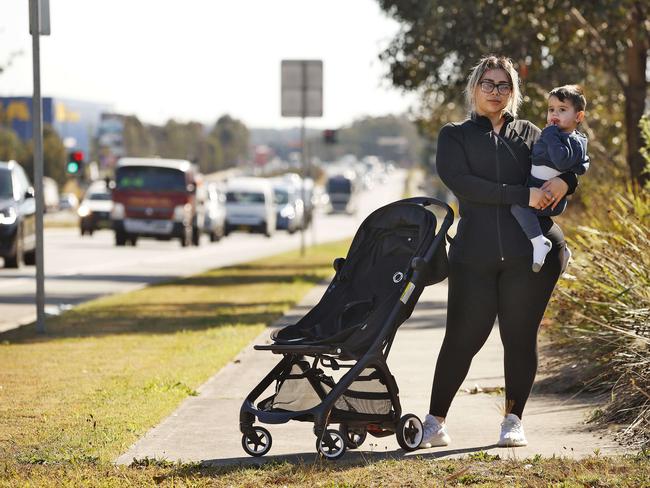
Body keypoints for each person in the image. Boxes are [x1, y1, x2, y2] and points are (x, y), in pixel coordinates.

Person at [420, 55, 578, 449]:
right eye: (488, 84)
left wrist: (569, 182)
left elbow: (565, 156)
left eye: (503, 85)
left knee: (519, 338)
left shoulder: (530, 133)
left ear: (513, 92)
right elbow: (465, 184)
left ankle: (513, 419)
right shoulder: (454, 135)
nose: (495, 92)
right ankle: (434, 421)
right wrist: (521, 193)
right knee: (462, 338)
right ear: (474, 87)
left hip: (530, 255)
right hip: (474, 254)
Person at [511, 85, 589, 272]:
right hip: (537, 186)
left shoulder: (571, 139)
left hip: (549, 196)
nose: (554, 114)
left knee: (518, 206)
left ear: (578, 117)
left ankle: (540, 244)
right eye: (551, 109)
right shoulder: (554, 135)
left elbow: (561, 161)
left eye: (562, 110)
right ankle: (563, 250)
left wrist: (550, 134)